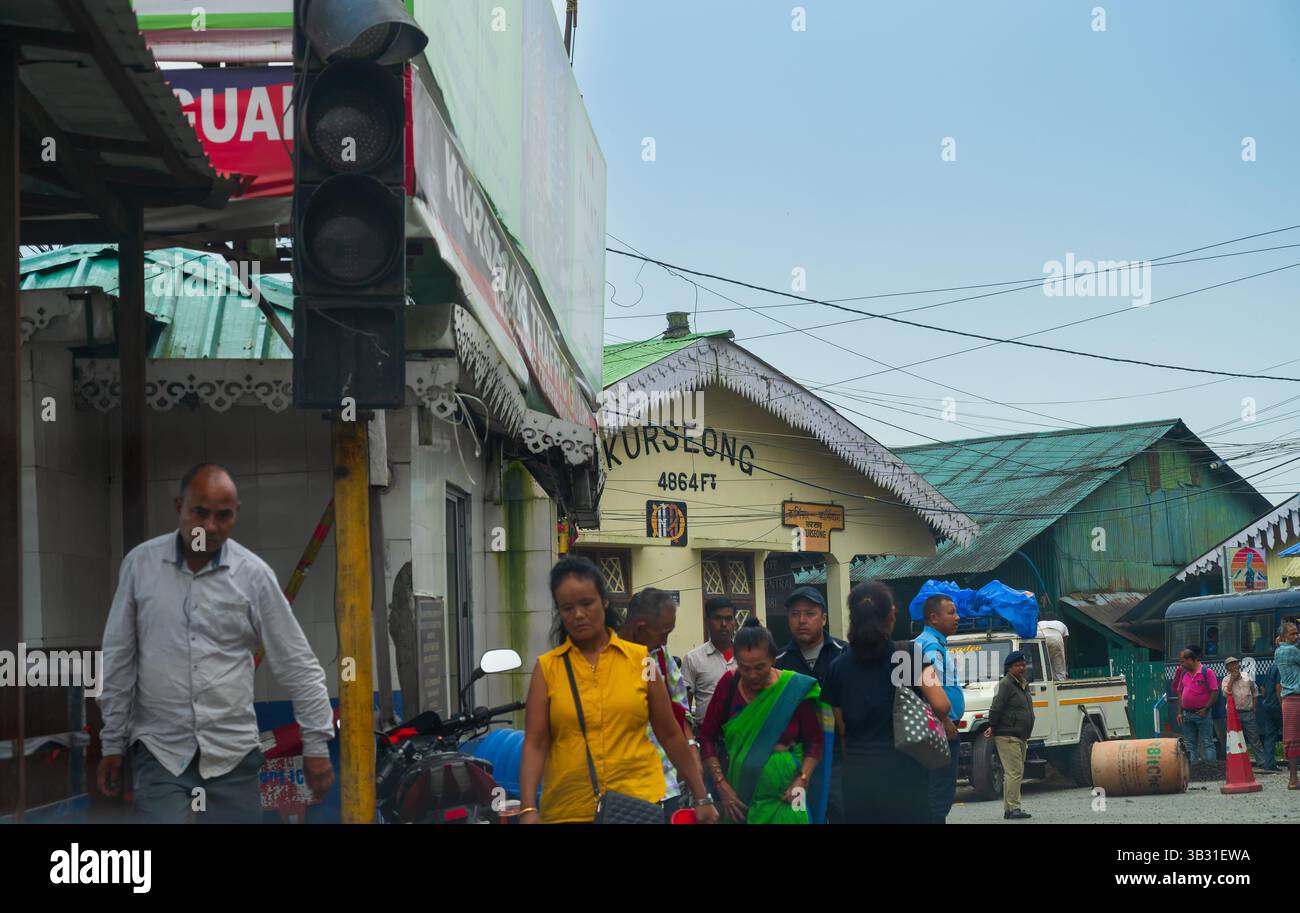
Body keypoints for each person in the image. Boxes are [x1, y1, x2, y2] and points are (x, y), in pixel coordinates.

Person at [97, 464, 335, 823]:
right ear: (180, 505)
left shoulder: (253, 576)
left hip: (232, 756)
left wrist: (316, 744)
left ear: (236, 513)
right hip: (161, 752)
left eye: (222, 516)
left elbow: (296, 663)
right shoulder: (140, 566)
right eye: (199, 512)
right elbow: (119, 658)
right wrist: (112, 742)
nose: (209, 526)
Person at [518, 557, 717, 824]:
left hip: (637, 807)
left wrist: (701, 796)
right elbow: (535, 743)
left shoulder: (642, 661)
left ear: (605, 601)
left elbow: (670, 733)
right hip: (568, 810)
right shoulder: (547, 669)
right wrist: (528, 809)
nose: (578, 615)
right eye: (567, 608)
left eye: (586, 603)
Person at [823, 580, 945, 823]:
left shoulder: (837, 667)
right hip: (906, 772)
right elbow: (942, 705)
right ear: (891, 615)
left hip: (858, 777)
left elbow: (842, 727)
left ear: (853, 617)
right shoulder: (909, 654)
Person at [698, 626, 826, 824]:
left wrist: (802, 780)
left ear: (774, 659)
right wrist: (721, 785)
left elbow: (816, 742)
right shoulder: (729, 684)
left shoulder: (793, 689)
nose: (752, 675)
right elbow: (707, 737)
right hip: (738, 803)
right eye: (744, 668)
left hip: (788, 799)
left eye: (760, 667)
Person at [618, 587, 699, 820]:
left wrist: (691, 747)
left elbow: (680, 707)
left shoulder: (660, 655)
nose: (665, 640)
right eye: (663, 633)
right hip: (625, 788)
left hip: (666, 782)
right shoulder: (606, 659)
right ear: (641, 628)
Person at [915, 594, 963, 824]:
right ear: (933, 618)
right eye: (951, 612)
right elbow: (931, 689)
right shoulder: (931, 646)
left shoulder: (925, 643)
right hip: (939, 729)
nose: (957, 617)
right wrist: (944, 720)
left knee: (930, 794)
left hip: (929, 729)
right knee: (939, 797)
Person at [987, 650, 1034, 820]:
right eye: (1018, 665)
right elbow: (995, 708)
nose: (1022, 668)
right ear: (1009, 668)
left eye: (1023, 665)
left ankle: (1009, 809)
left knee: (1013, 773)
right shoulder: (1005, 684)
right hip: (1007, 735)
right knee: (1014, 772)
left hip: (1020, 735)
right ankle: (1014, 808)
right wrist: (992, 725)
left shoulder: (1022, 683)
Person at [681, 596, 738, 725]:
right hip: (706, 738)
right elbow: (684, 708)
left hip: (742, 737)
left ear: (735, 622)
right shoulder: (693, 659)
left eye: (729, 619)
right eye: (718, 618)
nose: (724, 624)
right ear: (707, 622)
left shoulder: (745, 657)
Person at [775, 586, 847, 688]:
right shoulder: (778, 662)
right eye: (795, 614)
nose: (801, 620)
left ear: (823, 619)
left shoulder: (843, 653)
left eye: (810, 614)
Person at [1173, 645, 1219, 763]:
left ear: (1190, 660)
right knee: (1189, 744)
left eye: (1182, 662)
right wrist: (1179, 712)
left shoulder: (1206, 672)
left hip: (1202, 713)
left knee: (1207, 742)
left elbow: (1214, 691)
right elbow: (1180, 693)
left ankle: (1211, 771)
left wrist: (1206, 708)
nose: (1181, 664)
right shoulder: (1184, 674)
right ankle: (1193, 771)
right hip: (1187, 714)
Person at [1221, 656, 1267, 767]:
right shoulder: (1226, 680)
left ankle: (1262, 762)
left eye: (1235, 663)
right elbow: (1226, 693)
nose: (1233, 666)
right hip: (1233, 714)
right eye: (1230, 665)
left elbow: (1255, 690)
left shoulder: (1247, 676)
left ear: (1238, 665)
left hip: (1247, 712)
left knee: (1254, 738)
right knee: (1235, 739)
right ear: (1227, 668)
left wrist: (1254, 706)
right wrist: (1232, 679)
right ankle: (1238, 764)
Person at [1276, 622, 1300, 790]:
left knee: (1291, 740)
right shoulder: (1291, 651)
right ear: (1284, 637)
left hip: (1288, 700)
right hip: (1295, 698)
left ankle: (1293, 779)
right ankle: (1293, 780)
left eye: (1297, 633)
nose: (1296, 636)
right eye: (1292, 634)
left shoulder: (1279, 651)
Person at [1258, 637, 1283, 772]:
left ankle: (1269, 764)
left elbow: (1262, 688)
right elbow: (1279, 688)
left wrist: (1266, 699)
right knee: (1289, 733)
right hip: (1278, 706)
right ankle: (1294, 761)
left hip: (1267, 705)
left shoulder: (1270, 668)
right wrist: (1281, 703)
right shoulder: (1282, 668)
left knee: (1270, 735)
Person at [1036, 616, 1070, 681]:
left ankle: (1043, 679)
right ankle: (1061, 679)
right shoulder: (1061, 624)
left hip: (1042, 635)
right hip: (1057, 637)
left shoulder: (1040, 623)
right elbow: (1064, 647)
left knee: (1043, 660)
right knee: (1058, 661)